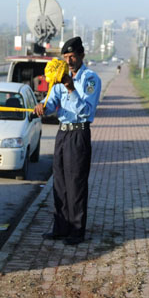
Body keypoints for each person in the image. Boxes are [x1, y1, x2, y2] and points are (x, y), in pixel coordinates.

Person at [34, 36, 102, 245]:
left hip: (79, 134)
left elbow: (86, 111)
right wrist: (42, 107)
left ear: (81, 56)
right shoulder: (59, 78)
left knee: (76, 184)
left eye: (72, 57)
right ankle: (60, 228)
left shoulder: (90, 79)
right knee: (60, 183)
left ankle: (76, 231)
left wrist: (71, 88)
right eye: (66, 57)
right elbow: (53, 102)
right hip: (62, 133)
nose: (69, 61)